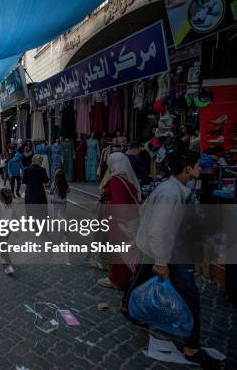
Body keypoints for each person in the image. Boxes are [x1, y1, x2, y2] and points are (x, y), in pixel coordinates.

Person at [124, 151, 225, 369]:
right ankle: (191, 348)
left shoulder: (174, 189)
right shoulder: (171, 193)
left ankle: (133, 310)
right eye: (197, 165)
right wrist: (161, 261)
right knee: (190, 297)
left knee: (143, 280)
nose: (200, 168)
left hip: (167, 249)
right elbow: (159, 230)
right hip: (171, 253)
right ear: (187, 168)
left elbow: (145, 211)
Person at [96, 152, 141, 290]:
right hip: (130, 221)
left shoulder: (116, 180)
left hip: (119, 222)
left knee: (118, 252)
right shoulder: (127, 179)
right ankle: (127, 277)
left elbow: (118, 204)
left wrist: (106, 202)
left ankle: (118, 280)